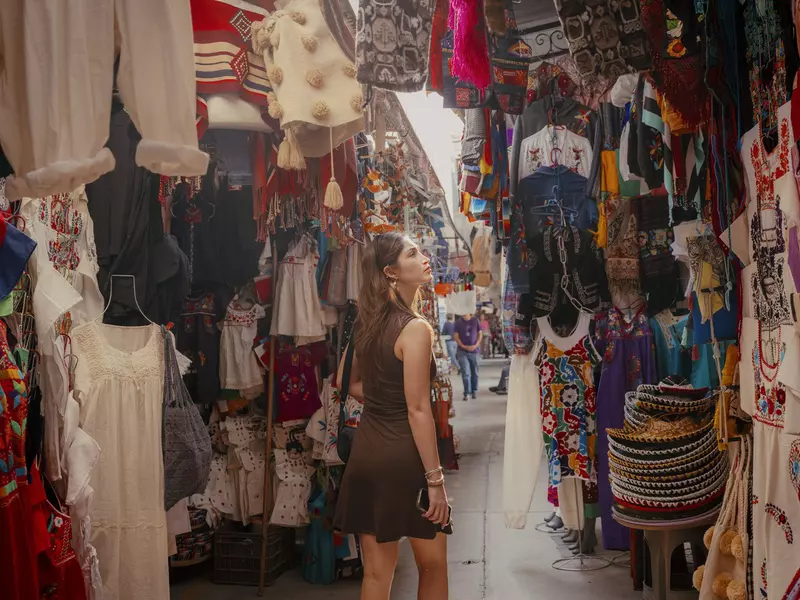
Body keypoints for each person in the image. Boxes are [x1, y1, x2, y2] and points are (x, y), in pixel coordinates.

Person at [334, 232, 450, 600]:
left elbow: (344, 380)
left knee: (376, 574)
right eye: (412, 253)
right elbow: (418, 410)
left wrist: (384, 399)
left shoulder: (367, 321)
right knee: (432, 565)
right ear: (391, 272)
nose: (424, 257)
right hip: (405, 458)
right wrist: (435, 481)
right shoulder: (415, 328)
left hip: (367, 455)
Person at [454, 312, 481, 401]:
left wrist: (475, 345)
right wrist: (463, 346)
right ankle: (467, 392)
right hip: (462, 351)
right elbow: (456, 336)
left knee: (475, 372)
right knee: (465, 372)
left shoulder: (475, 321)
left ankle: (474, 390)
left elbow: (480, 334)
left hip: (474, 351)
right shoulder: (458, 322)